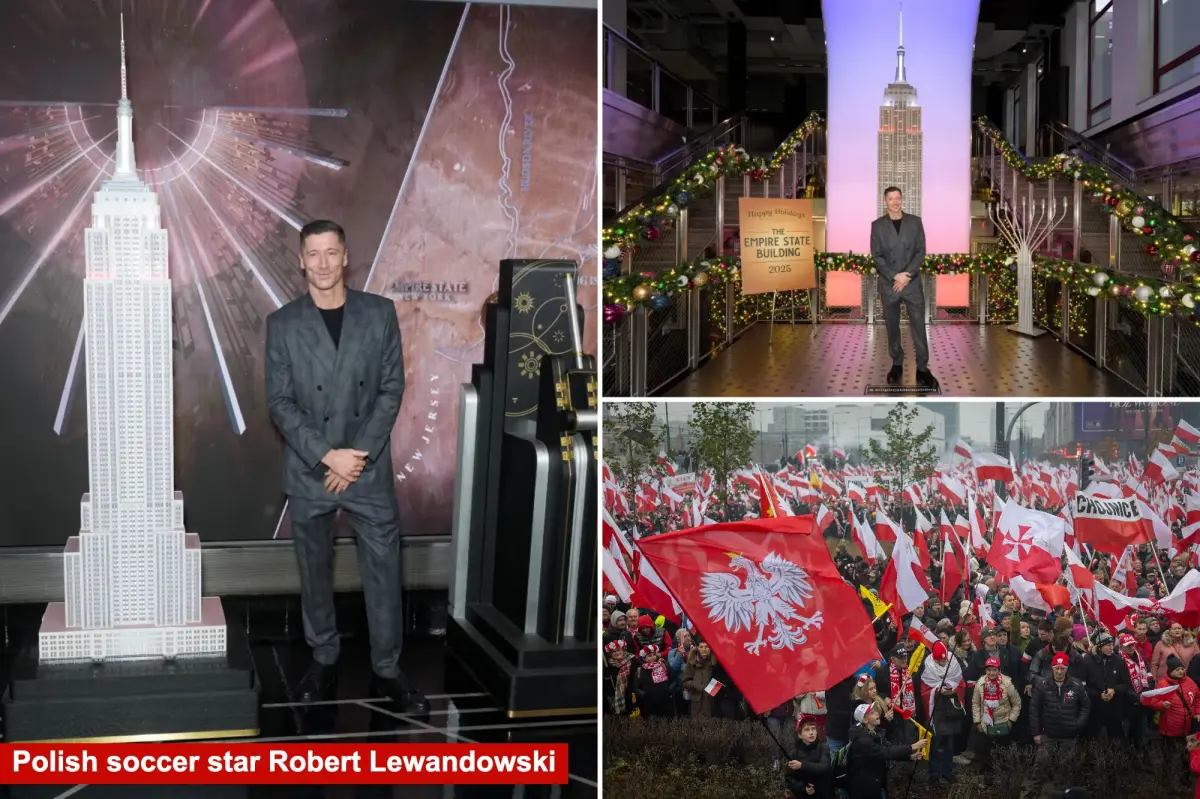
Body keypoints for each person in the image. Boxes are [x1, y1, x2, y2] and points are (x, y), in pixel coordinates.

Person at [265, 219, 427, 716]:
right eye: (312, 254)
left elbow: (390, 389)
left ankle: (388, 668)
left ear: (345, 256)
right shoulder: (283, 323)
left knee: (384, 570)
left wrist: (355, 455)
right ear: (300, 260)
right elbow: (280, 402)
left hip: (366, 466)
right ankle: (324, 658)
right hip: (313, 468)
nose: (322, 264)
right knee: (314, 573)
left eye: (330, 253)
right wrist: (326, 455)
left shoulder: (378, 314)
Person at [869, 186, 937, 390]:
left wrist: (906, 276)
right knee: (892, 326)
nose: (895, 202)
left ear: (902, 199)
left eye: (898, 198)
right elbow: (877, 256)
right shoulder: (877, 226)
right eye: (891, 198)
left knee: (918, 326)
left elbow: (920, 251)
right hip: (890, 285)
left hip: (911, 283)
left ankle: (923, 368)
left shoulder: (915, 222)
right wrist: (894, 276)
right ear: (885, 201)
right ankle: (897, 363)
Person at [1028, 651, 1090, 797]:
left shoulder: (1076, 685)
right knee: (1041, 765)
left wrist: (1078, 724)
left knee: (1066, 767)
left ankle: (1062, 794)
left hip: (1069, 735)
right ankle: (1031, 794)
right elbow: (1034, 709)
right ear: (1052, 668)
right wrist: (1036, 733)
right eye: (1057, 668)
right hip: (1048, 734)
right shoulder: (1042, 685)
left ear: (1067, 669)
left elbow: (1086, 706)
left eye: (1063, 668)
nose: (1060, 672)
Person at [844, 703, 926, 799]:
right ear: (865, 720)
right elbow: (885, 752)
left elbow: (890, 748)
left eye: (875, 711)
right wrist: (912, 747)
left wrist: (909, 756)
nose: (877, 713)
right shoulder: (862, 740)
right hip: (864, 787)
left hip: (876, 781)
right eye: (872, 713)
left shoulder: (877, 732)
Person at [786, 715, 831, 798]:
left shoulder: (823, 748)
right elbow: (789, 779)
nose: (811, 732)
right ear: (800, 735)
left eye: (813, 729)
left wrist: (801, 765)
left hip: (823, 793)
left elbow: (824, 767)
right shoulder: (794, 754)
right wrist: (803, 787)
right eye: (807, 730)